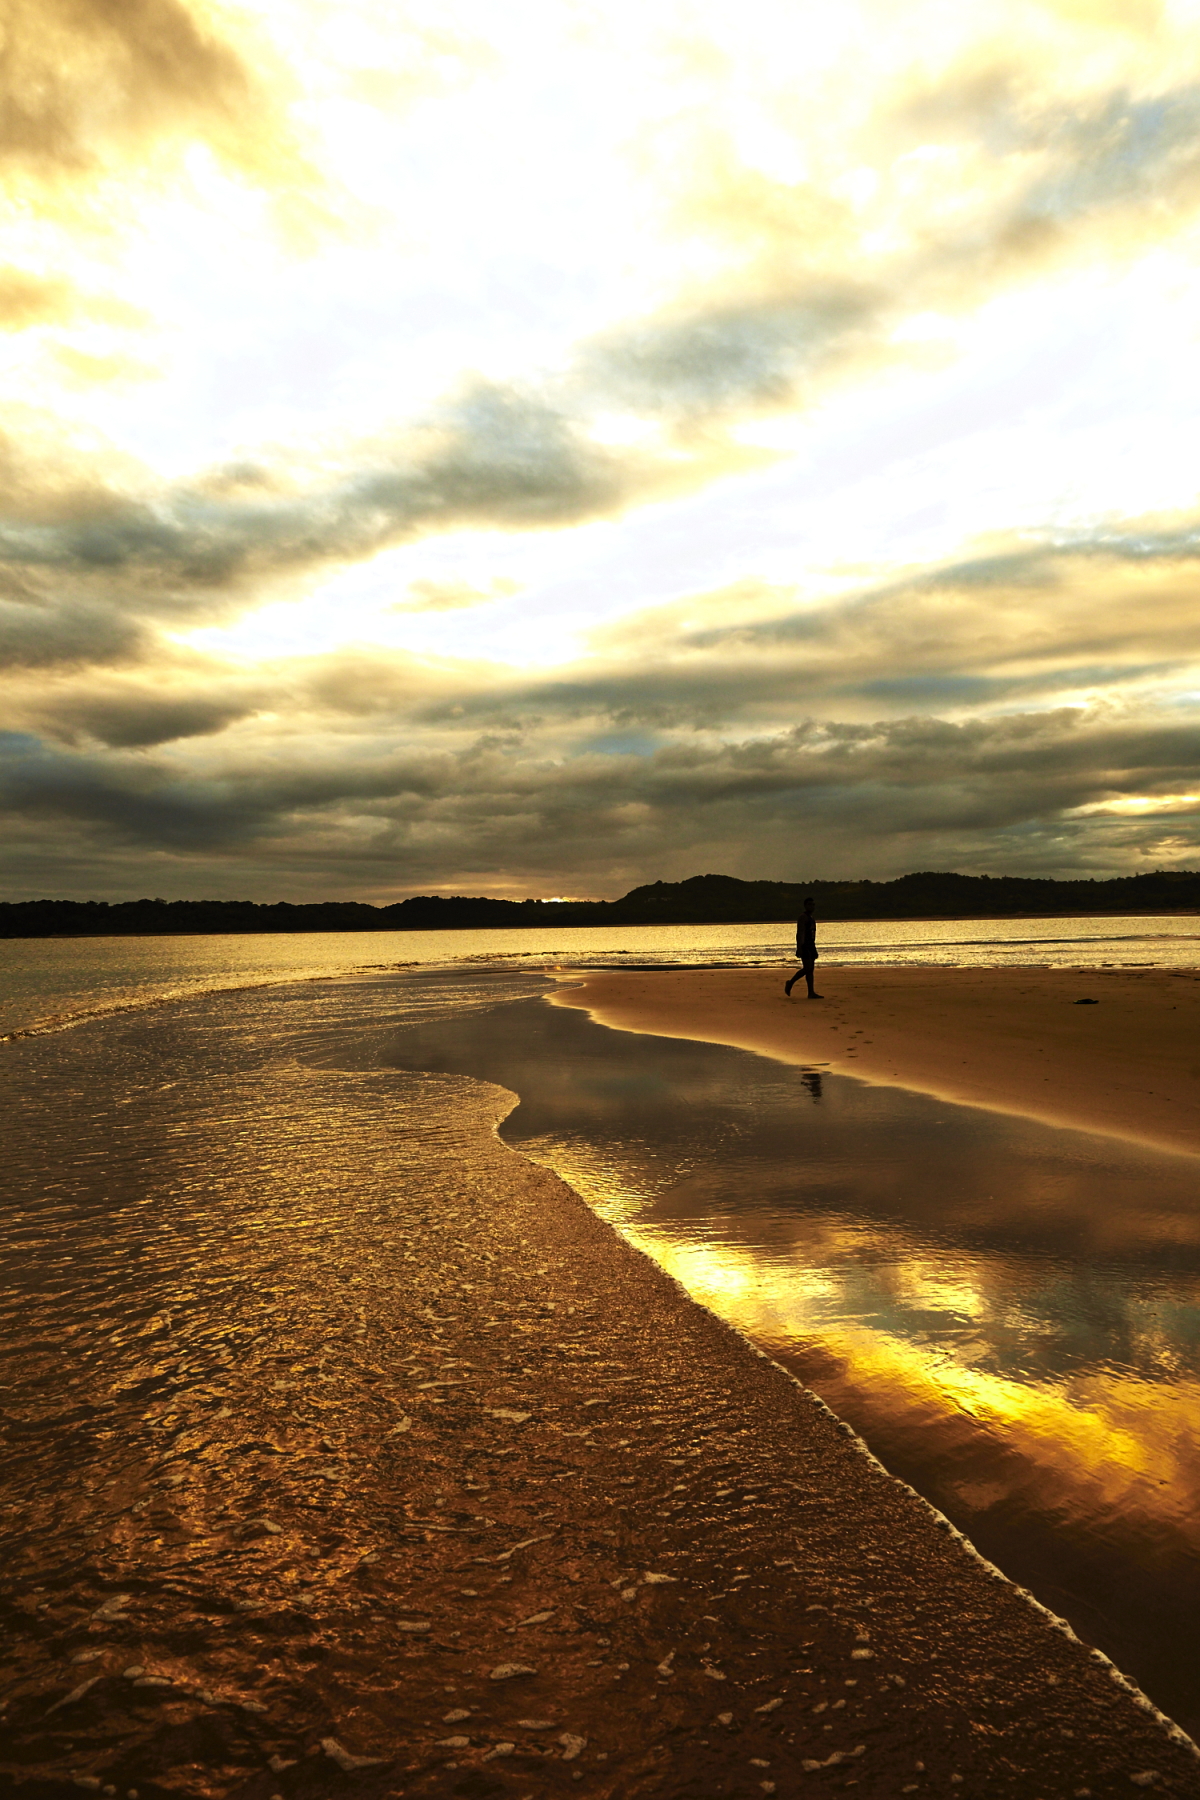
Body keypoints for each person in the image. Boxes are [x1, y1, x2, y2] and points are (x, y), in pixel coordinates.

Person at [784, 895, 822, 998]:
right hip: (805, 945)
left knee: (811, 970)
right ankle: (790, 983)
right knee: (807, 968)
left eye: (813, 905)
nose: (812, 907)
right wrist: (799, 947)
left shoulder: (811, 918)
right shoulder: (803, 917)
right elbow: (800, 933)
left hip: (811, 945)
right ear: (805, 906)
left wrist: (814, 947)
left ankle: (811, 992)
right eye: (809, 905)